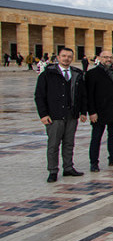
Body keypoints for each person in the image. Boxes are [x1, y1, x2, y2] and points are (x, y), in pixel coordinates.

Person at [34, 48, 88, 182]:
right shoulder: (47, 74)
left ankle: (68, 167)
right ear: (58, 57)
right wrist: (43, 114)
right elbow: (39, 96)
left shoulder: (77, 73)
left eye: (69, 56)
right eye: (64, 56)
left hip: (71, 114)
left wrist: (82, 111)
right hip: (55, 115)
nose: (66, 59)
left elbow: (82, 95)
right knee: (53, 144)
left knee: (69, 143)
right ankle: (53, 170)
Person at [85, 50, 113, 171]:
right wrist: (91, 112)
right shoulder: (92, 74)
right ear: (99, 58)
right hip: (99, 111)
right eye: (105, 57)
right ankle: (94, 162)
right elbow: (89, 95)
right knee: (96, 137)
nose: (108, 59)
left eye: (110, 57)